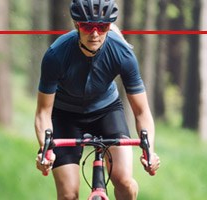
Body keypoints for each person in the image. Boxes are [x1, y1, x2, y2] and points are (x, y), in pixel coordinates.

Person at [33, 0, 161, 199]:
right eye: (87, 26)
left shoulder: (122, 53)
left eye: (102, 27)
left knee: (124, 182)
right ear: (76, 24)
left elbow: (142, 111)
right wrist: (45, 150)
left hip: (106, 111)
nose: (94, 33)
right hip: (65, 116)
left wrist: (149, 151)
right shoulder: (56, 55)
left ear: (109, 26)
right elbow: (43, 112)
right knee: (68, 194)